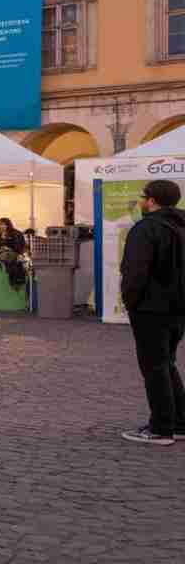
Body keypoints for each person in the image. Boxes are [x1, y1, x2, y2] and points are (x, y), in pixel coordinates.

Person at [119, 180, 185, 445]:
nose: (141, 201)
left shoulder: (147, 228)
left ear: (152, 200)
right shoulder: (181, 226)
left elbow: (135, 272)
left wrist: (130, 301)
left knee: (154, 367)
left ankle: (161, 428)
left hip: (151, 308)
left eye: (143, 197)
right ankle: (179, 422)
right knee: (166, 363)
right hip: (178, 309)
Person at [0, 218, 27, 290]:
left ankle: (16, 281)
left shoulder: (16, 233)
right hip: (3, 255)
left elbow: (19, 247)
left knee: (9, 258)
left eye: (2, 224)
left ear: (7, 225)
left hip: (14, 255)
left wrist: (9, 249)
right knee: (4, 256)